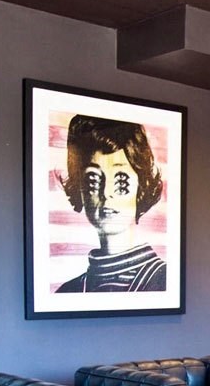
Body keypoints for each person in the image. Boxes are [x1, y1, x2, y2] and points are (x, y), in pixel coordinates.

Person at [56, 114, 166, 292]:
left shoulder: (164, 280)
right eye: (93, 180)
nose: (106, 193)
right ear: (79, 189)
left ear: (141, 187)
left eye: (121, 180)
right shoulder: (68, 291)